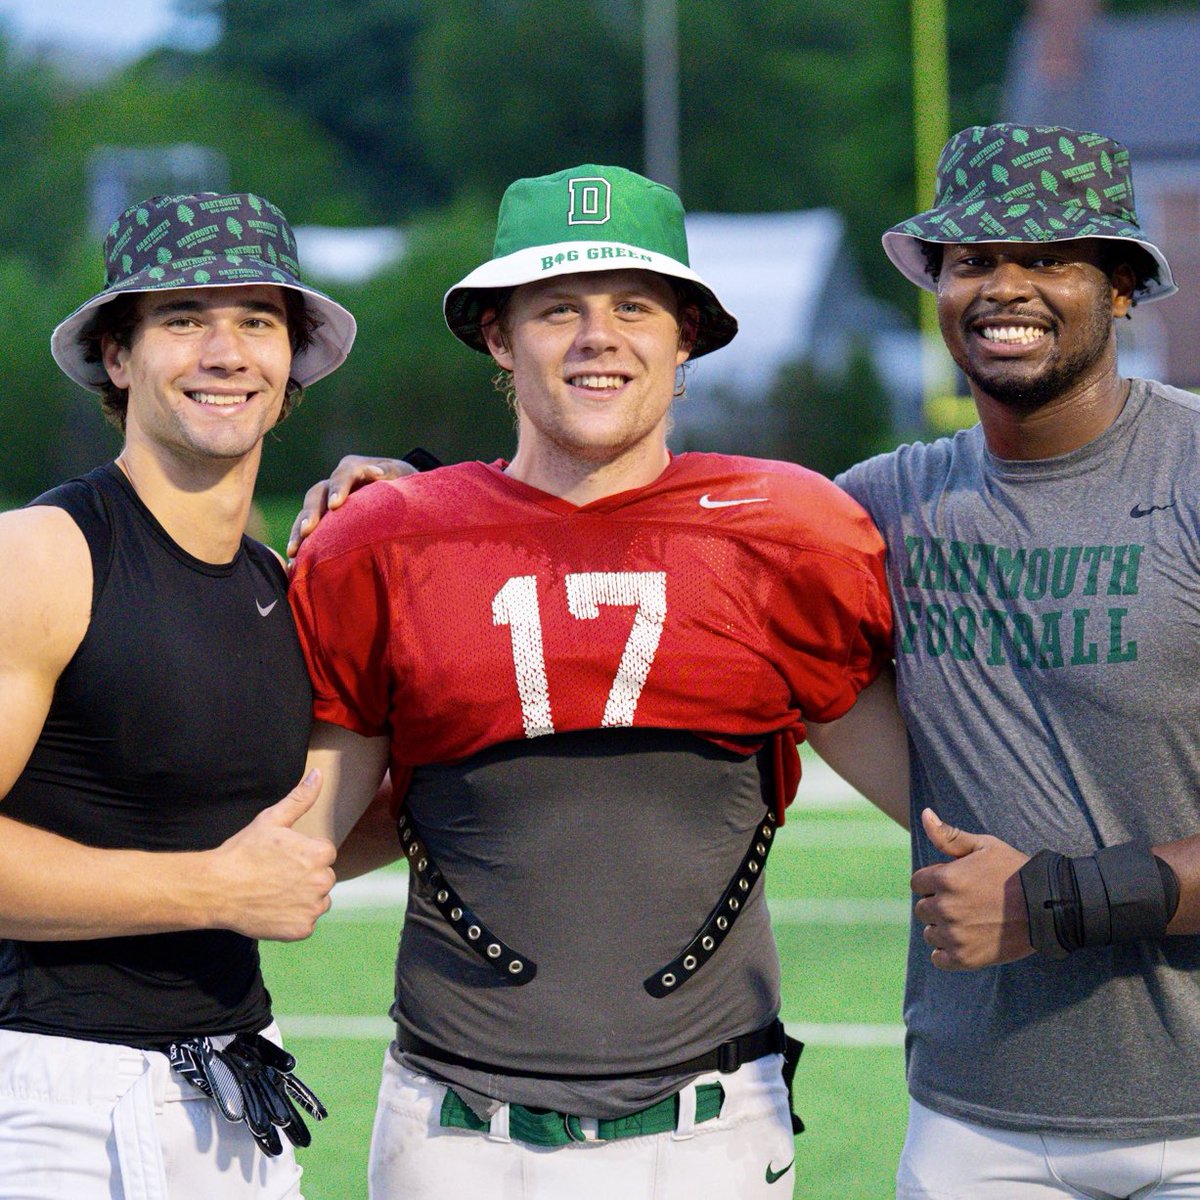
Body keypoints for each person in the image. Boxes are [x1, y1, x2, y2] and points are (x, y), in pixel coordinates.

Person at [288, 163, 910, 1199]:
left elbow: (947, 797)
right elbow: (297, 848)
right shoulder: (389, 541)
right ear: (497, 335)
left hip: (711, 1131)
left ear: (687, 337)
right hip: (454, 1133)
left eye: (633, 306)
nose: (597, 336)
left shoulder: (786, 535)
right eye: (556, 309)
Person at [837, 123, 1200, 1197]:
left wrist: (1054, 899)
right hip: (977, 1117)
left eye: (1048, 259)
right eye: (973, 260)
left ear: (1124, 285)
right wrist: (423, 489)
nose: (1005, 288)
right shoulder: (884, 504)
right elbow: (659, 530)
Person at [0, 192, 356, 1198]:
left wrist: (407, 516)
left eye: (256, 320)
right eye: (184, 320)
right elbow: (234, 876)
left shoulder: (278, 583)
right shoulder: (44, 554)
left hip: (240, 1085)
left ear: (293, 361)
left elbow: (301, 845)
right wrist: (211, 891)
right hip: (60, 1095)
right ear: (119, 356)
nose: (225, 352)